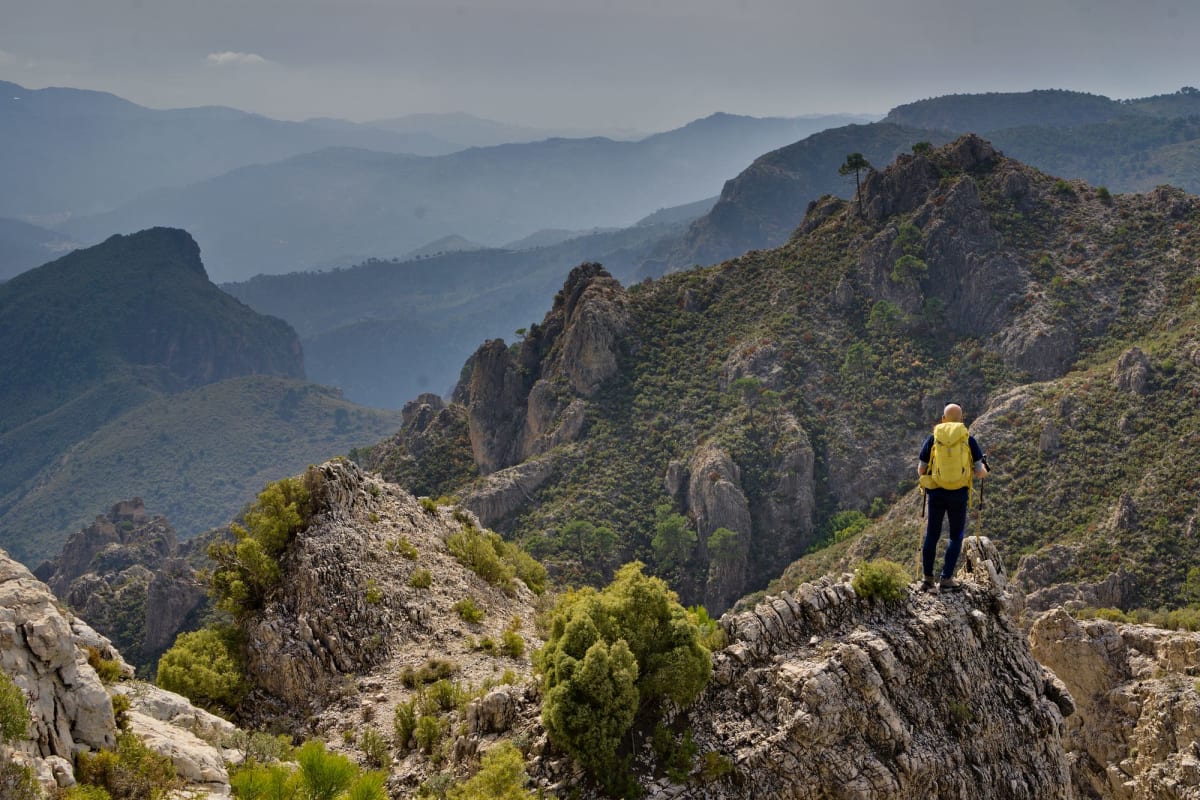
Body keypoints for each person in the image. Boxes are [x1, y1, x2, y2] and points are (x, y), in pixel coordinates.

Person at [917, 403, 987, 591]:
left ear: (943, 419)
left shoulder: (933, 439)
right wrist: (980, 468)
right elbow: (980, 472)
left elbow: (921, 469)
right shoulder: (968, 440)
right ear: (962, 420)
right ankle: (946, 579)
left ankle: (927, 579)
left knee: (932, 534)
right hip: (959, 494)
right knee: (955, 536)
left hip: (936, 493)